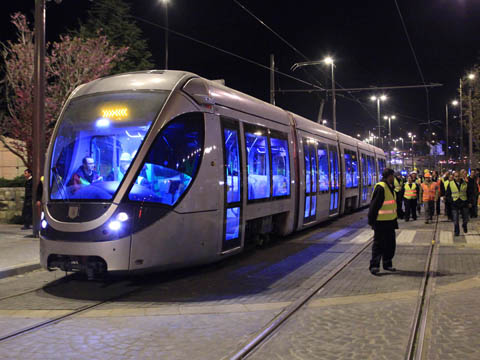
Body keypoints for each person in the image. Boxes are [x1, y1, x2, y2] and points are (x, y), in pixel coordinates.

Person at [368, 168, 398, 275]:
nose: (393, 178)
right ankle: (374, 266)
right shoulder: (381, 187)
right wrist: (371, 221)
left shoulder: (390, 187)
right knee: (378, 245)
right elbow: (374, 206)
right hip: (380, 222)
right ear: (388, 176)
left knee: (390, 245)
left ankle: (387, 264)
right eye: (392, 176)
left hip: (390, 222)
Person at [446, 171, 472, 236]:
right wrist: (451, 201)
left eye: (458, 176)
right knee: (455, 219)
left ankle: (464, 225)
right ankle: (456, 231)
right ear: (454, 177)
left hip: (464, 202)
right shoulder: (450, 184)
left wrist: (470, 202)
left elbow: (469, 193)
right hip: (455, 203)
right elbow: (448, 194)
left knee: (466, 218)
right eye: (455, 176)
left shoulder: (465, 183)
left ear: (460, 176)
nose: (457, 178)